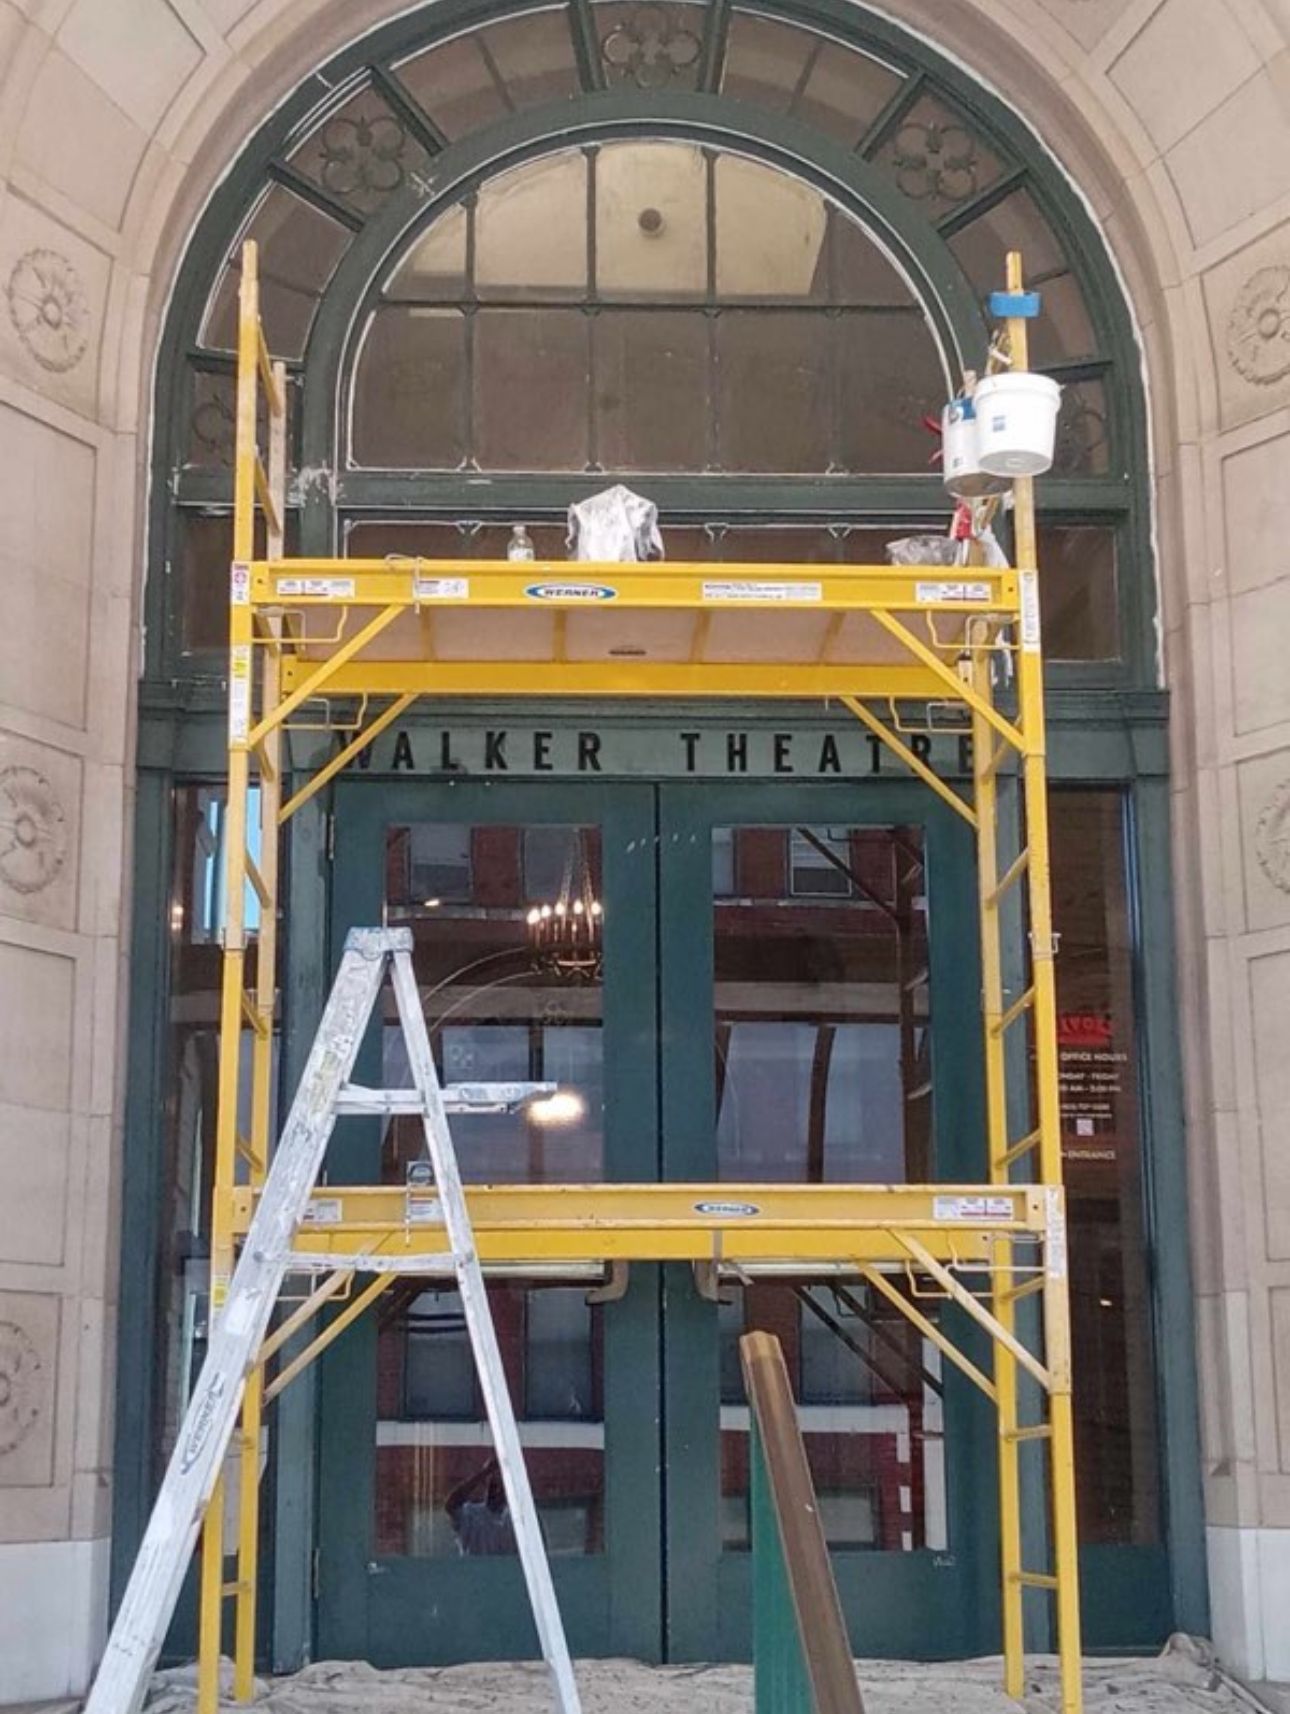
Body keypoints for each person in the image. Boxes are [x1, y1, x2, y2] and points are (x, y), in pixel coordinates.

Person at [444, 1455, 518, 1555]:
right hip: (473, 1569)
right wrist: (484, 1473)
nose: (497, 1490)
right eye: (493, 1485)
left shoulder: (516, 1519)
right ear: (484, 1483)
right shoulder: (470, 1514)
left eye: (502, 1484)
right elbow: (451, 1505)